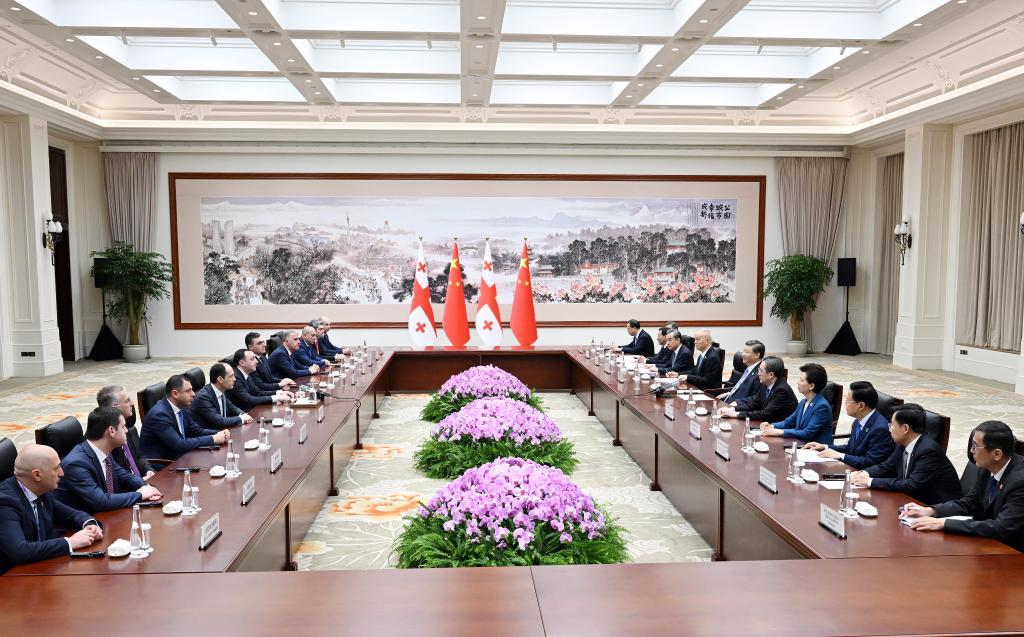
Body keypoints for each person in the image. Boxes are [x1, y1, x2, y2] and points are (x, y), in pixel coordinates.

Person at [901, 420, 1023, 551]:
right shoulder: (987, 467)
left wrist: (944, 523)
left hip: (1013, 552)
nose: (971, 451)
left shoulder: (1019, 482)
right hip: (988, 545)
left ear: (997, 454)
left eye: (975, 446)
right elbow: (969, 502)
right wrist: (931, 511)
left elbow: (1002, 528)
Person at [0, 444, 102, 574]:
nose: (62, 473)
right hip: (11, 579)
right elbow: (20, 551)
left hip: (42, 568)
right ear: (37, 475)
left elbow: (71, 514)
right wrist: (70, 542)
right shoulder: (5, 503)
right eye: (56, 468)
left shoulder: (40, 489)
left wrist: (90, 525)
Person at [55, 407, 162, 514]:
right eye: (123, 426)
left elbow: (125, 477)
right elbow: (101, 501)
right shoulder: (76, 464)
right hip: (83, 525)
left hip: (108, 516)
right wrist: (140, 494)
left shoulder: (103, 452)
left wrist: (146, 487)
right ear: (111, 431)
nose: (127, 430)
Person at [849, 404, 961, 504]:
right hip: (911, 501)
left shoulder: (928, 451)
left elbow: (912, 485)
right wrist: (863, 473)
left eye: (892, 425)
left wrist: (870, 481)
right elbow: (887, 466)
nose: (889, 429)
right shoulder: (902, 443)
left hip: (935, 507)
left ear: (905, 428)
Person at [139, 374, 231, 468]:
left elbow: (195, 430)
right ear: (175, 394)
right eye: (188, 391)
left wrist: (219, 433)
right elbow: (179, 444)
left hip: (180, 457)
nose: (193, 394)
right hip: (163, 466)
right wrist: (214, 438)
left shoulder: (180, 406)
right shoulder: (159, 415)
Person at [803, 381, 894, 470]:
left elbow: (870, 462)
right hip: (852, 469)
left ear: (861, 406)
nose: (845, 404)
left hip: (864, 476)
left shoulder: (880, 429)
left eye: (847, 400)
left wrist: (840, 456)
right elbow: (850, 448)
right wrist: (824, 446)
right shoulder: (858, 421)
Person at [760, 363, 833, 444]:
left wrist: (780, 432)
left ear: (811, 386)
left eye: (801, 380)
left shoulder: (821, 407)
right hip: (800, 444)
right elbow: (789, 421)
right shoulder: (804, 401)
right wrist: (772, 426)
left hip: (817, 450)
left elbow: (807, 433)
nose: (798, 382)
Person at [96, 385, 155, 480]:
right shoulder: (106, 437)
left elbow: (139, 457)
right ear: (114, 407)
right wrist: (140, 482)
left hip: (141, 481)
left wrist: (148, 470)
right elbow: (115, 477)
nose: (132, 403)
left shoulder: (125, 425)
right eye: (127, 401)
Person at [720, 356, 797, 423]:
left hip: (779, 428)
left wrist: (737, 414)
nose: (758, 374)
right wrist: (732, 409)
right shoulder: (765, 384)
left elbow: (766, 414)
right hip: (765, 423)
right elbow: (754, 404)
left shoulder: (782, 390)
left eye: (761, 371)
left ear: (770, 375)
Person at [191, 363, 254, 429]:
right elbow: (219, 421)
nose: (234, 379)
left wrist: (243, 414)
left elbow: (233, 409)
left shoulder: (221, 390)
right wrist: (242, 418)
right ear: (220, 379)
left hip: (222, 432)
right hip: (209, 435)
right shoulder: (203, 397)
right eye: (231, 376)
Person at [721, 340, 765, 404]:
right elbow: (742, 389)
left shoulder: (760, 373)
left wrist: (737, 402)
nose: (743, 354)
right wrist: (729, 393)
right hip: (727, 402)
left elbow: (756, 397)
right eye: (743, 351)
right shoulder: (749, 368)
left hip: (737, 409)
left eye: (746, 352)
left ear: (757, 355)